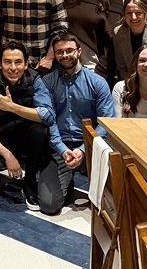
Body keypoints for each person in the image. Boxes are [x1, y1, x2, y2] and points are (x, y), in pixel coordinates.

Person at [39, 32, 116, 215]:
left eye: (69, 50)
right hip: (60, 147)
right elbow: (48, 121)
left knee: (111, 205)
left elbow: (105, 123)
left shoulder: (98, 83)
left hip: (92, 145)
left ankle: (75, 172)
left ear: (79, 51)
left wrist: (81, 150)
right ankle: (67, 176)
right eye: (59, 52)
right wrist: (62, 149)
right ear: (55, 54)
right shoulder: (46, 82)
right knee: (49, 206)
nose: (65, 55)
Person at [0, 42, 53, 211]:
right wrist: (7, 154)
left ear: (26, 64)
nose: (13, 67)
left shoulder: (35, 79)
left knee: (41, 131)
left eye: (18, 62)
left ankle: (29, 182)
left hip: (24, 136)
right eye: (7, 62)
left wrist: (12, 107)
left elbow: (47, 115)